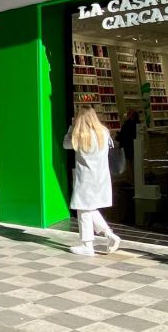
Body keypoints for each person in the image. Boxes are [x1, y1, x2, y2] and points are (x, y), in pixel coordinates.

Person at [63, 106, 121, 256]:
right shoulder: (104, 132)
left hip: (86, 178)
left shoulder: (81, 135)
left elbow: (66, 144)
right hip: (101, 178)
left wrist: (71, 127)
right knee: (88, 209)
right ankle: (109, 235)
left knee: (83, 209)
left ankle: (87, 245)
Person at [117, 110, 140, 185]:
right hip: (136, 146)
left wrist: (118, 137)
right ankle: (137, 181)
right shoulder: (138, 123)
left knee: (129, 165)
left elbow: (123, 136)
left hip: (128, 147)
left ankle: (131, 181)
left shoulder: (127, 124)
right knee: (135, 164)